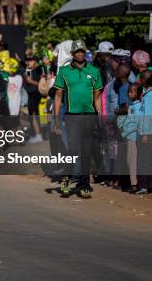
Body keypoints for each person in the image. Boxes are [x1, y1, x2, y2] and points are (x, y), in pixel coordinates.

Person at [53, 39, 102, 199]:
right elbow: (58, 96)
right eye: (77, 52)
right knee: (73, 149)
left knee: (86, 152)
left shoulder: (94, 71)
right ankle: (67, 178)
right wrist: (56, 120)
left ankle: (84, 184)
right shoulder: (64, 71)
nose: (80, 54)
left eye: (82, 51)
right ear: (73, 54)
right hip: (72, 116)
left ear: (85, 53)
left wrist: (100, 115)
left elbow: (97, 96)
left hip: (89, 117)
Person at [24, 56, 43, 143]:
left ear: (35, 62)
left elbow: (42, 83)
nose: (29, 62)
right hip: (30, 94)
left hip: (36, 94)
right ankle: (35, 134)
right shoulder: (28, 70)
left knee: (35, 115)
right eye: (28, 61)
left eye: (31, 61)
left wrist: (31, 81)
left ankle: (39, 135)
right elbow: (28, 81)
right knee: (31, 115)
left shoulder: (39, 69)